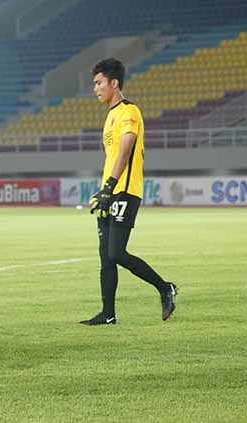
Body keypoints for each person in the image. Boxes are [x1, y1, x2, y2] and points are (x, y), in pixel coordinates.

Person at [81, 58, 178, 326]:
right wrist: (103, 191)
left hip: (124, 191)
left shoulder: (129, 111)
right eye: (94, 84)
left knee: (117, 253)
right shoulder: (110, 115)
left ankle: (165, 287)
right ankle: (108, 314)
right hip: (109, 191)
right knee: (105, 257)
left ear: (114, 83)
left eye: (99, 83)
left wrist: (110, 187)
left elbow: (125, 150)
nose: (95, 88)